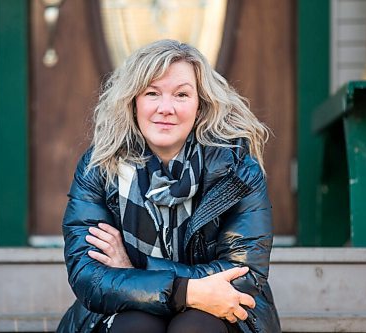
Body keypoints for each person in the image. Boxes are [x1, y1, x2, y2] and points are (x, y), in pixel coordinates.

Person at [57, 39, 281, 333]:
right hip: (120, 313)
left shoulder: (237, 169)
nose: (166, 108)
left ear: (200, 105)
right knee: (135, 324)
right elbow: (88, 276)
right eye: (152, 93)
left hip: (226, 310)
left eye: (181, 95)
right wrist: (184, 291)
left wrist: (134, 272)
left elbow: (244, 274)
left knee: (195, 325)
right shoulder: (100, 166)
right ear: (133, 101)